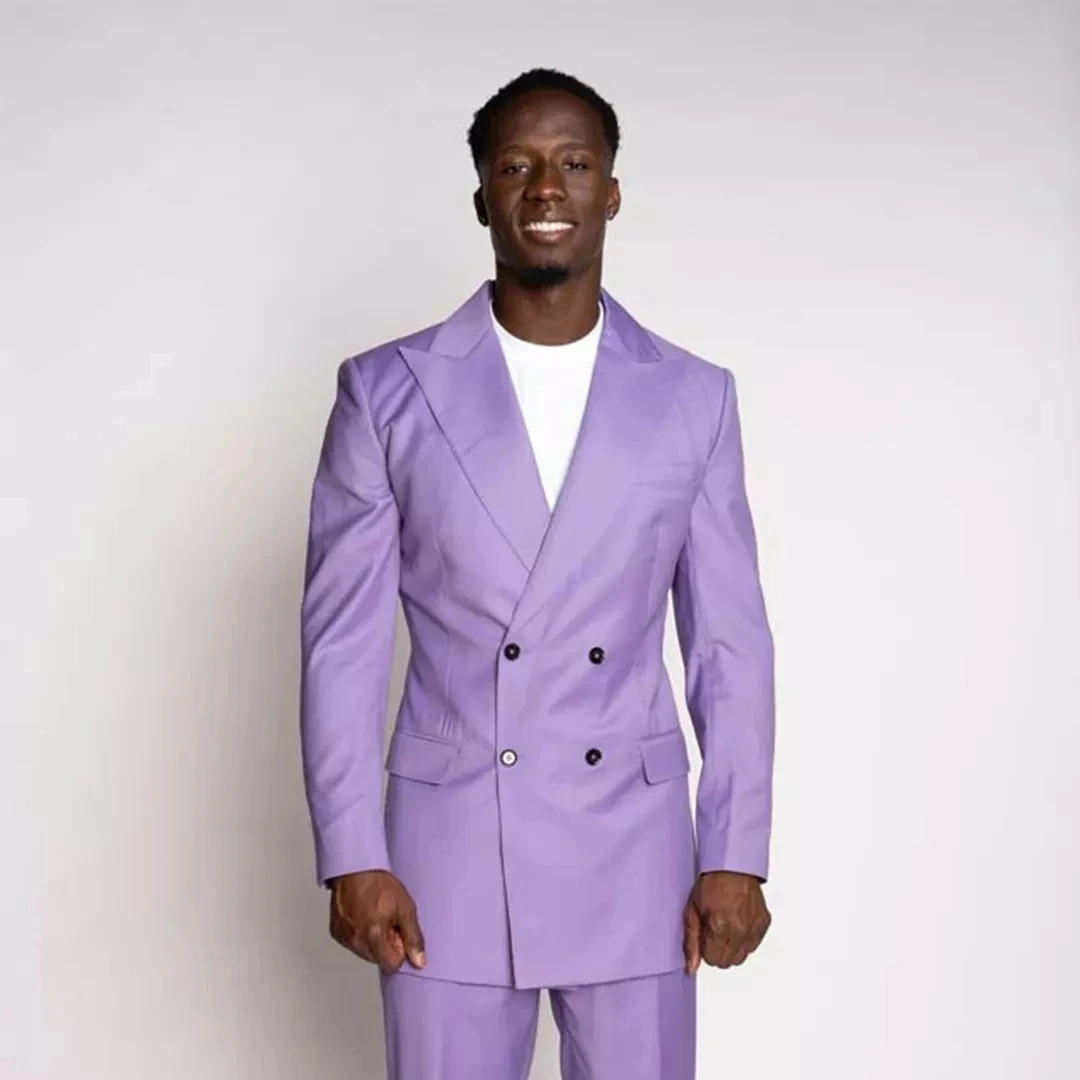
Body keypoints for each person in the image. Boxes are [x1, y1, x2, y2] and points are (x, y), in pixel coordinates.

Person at [299, 67, 776, 1080]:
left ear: (612, 191)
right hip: (448, 852)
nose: (547, 187)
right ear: (483, 197)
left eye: (574, 164)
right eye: (517, 166)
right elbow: (342, 646)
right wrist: (351, 852)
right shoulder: (386, 391)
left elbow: (729, 645)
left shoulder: (695, 398)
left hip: (636, 854)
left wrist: (736, 849)